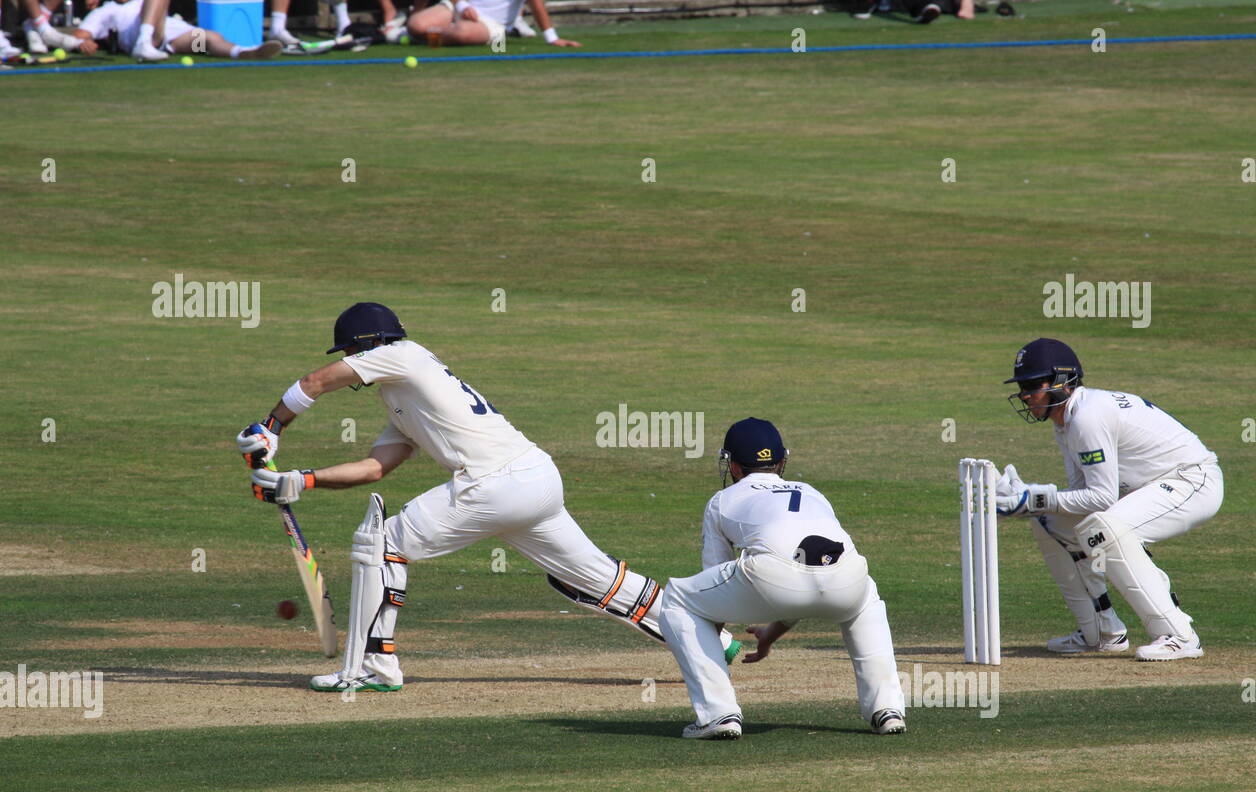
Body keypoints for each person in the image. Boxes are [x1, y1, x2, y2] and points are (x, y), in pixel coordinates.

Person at [236, 303, 740, 692]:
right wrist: (302, 480)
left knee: (381, 543)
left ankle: (372, 666)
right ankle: (714, 640)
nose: (349, 366)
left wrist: (272, 427)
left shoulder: (403, 356)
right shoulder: (405, 400)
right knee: (593, 579)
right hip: (534, 479)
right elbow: (374, 468)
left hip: (493, 483)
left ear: (366, 347)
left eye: (350, 353)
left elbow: (314, 382)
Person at [656, 418, 907, 740]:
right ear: (782, 461)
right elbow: (810, 570)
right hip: (847, 577)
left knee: (678, 598)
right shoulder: (813, 492)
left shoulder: (721, 501)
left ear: (732, 466)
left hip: (772, 580)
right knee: (865, 597)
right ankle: (886, 709)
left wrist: (712, 644)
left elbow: (714, 583)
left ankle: (717, 713)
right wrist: (772, 632)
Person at [997, 338, 1223, 661]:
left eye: (1034, 385)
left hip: (1193, 479)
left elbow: (1102, 497)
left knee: (1103, 530)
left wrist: (1033, 498)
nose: (1025, 395)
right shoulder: (1066, 423)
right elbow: (1083, 498)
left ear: (1062, 382)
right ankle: (1101, 631)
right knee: (1052, 523)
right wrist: (1032, 504)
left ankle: (1178, 634)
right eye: (1023, 386)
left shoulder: (1087, 417)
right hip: (1160, 483)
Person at [71, 0, 281, 60]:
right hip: (152, 39)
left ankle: (243, 52)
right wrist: (84, 43)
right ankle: (144, 43)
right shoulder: (108, 9)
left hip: (172, 42)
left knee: (208, 37)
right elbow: (81, 35)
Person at [407, 0, 578, 48]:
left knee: (462, 33)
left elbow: (537, 4)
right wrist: (462, 5)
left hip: (495, 25)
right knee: (415, 25)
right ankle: (422, 35)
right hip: (459, 7)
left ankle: (430, 37)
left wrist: (552, 38)